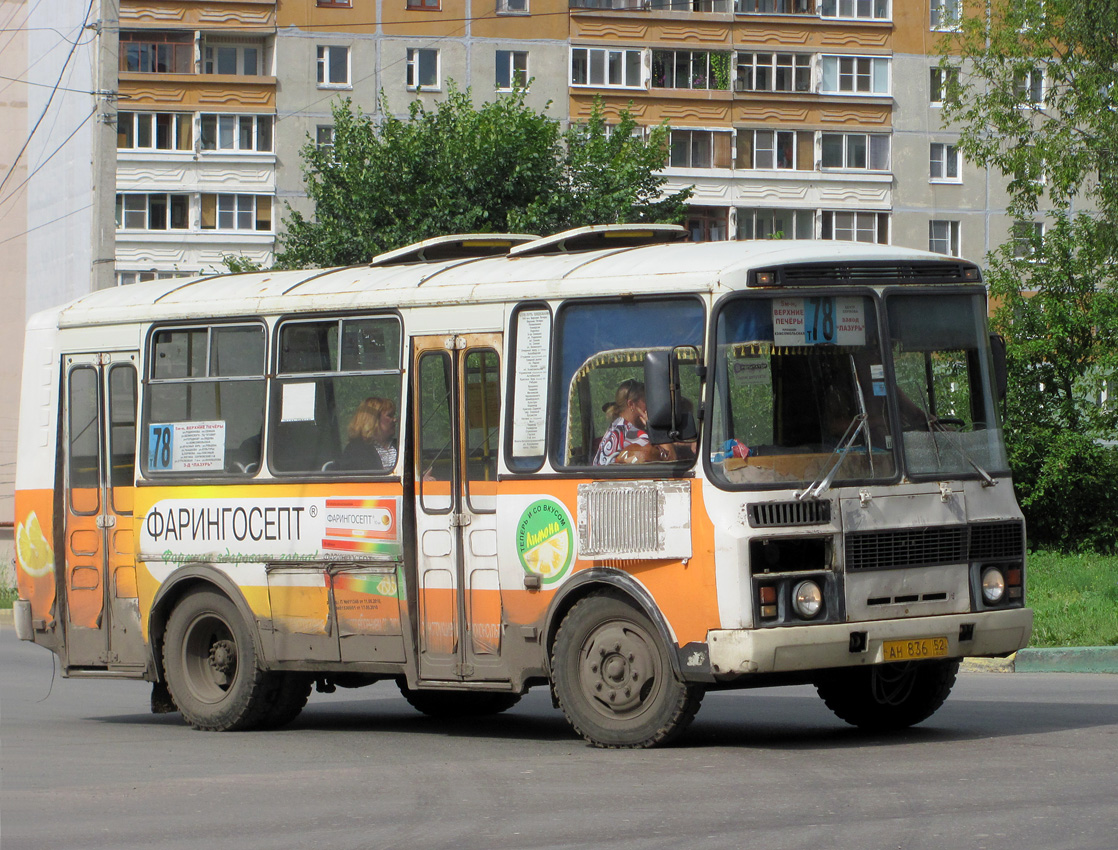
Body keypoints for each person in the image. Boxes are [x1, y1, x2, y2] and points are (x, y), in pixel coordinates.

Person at [594, 379, 661, 465]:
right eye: (646, 401)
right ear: (631, 404)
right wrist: (656, 429)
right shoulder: (633, 434)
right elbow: (669, 458)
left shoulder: (616, 426)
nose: (650, 406)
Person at [341, 397, 398, 471]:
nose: (395, 419)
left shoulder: (401, 446)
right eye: (390, 416)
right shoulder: (356, 451)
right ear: (373, 419)